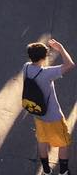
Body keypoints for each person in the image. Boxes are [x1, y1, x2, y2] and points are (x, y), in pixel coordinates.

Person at [24, 39, 74, 175]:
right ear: (44, 57)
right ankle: (63, 172)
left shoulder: (26, 67)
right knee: (63, 143)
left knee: (42, 140)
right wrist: (61, 48)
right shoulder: (46, 74)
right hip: (53, 116)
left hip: (38, 114)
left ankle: (46, 170)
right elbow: (70, 65)